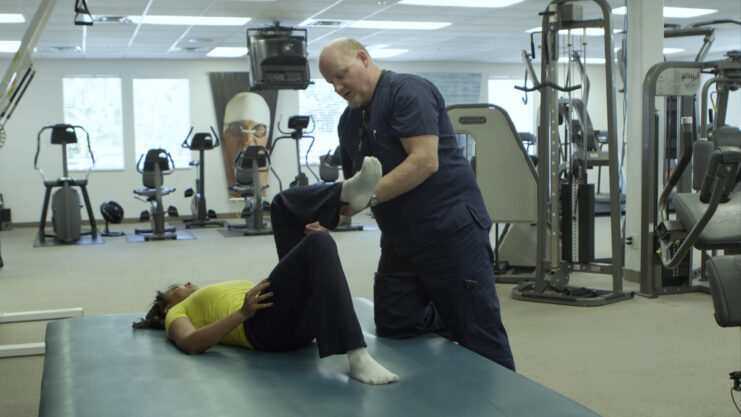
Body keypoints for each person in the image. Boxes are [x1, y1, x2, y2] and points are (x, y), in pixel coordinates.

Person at [317, 38, 515, 371]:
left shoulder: (407, 91)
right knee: (396, 321)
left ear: (363, 59)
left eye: (341, 75)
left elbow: (424, 161)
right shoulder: (348, 122)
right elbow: (357, 187)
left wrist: (366, 198)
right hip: (401, 239)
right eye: (330, 83)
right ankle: (451, 312)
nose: (337, 87)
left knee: (480, 335)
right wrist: (324, 213)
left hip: (451, 230)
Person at [133, 157, 398, 385]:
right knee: (318, 242)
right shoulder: (176, 314)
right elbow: (190, 343)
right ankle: (357, 356)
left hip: (283, 316)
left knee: (283, 206)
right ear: (167, 307)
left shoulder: (202, 301)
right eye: (175, 288)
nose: (187, 282)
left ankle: (344, 195)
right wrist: (242, 313)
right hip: (263, 330)